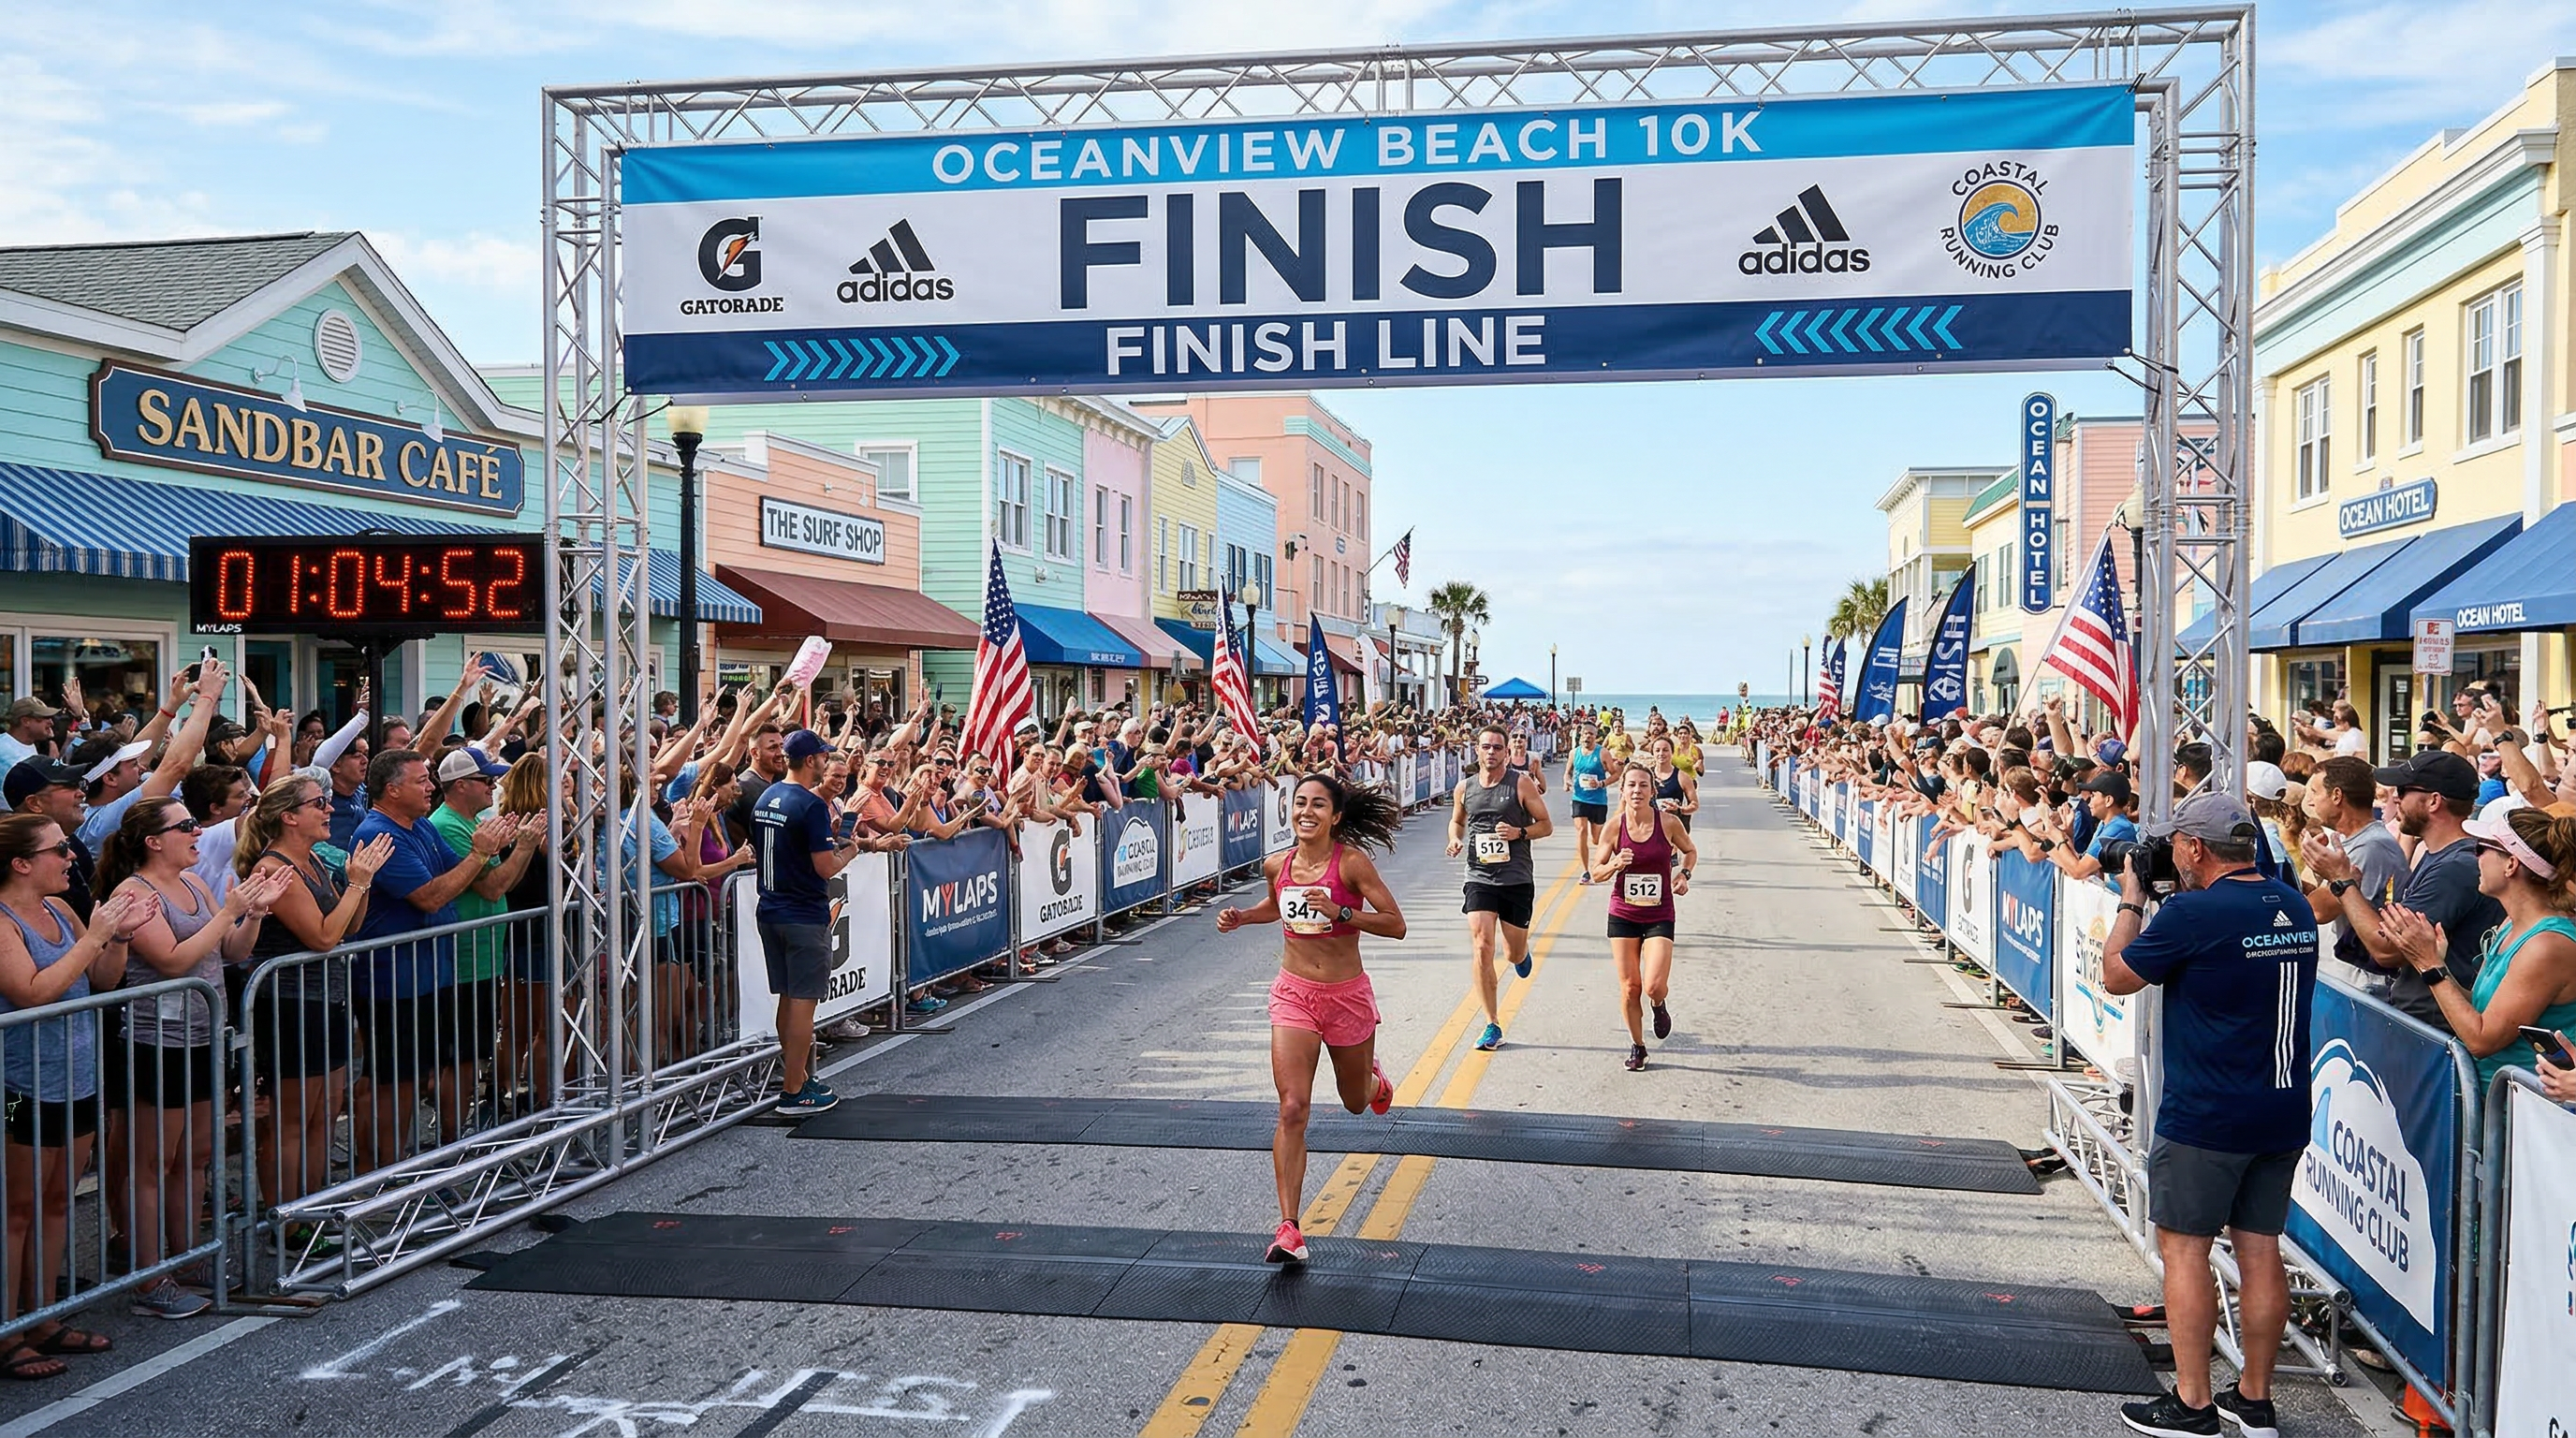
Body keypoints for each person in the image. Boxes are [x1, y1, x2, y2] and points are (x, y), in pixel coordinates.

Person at [2100, 793, 2318, 1438]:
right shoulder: (2294, 903)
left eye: (2176, 846)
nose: (2171, 855)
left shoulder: (2194, 912)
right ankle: (2254, 1398)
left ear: (2196, 848)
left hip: (2208, 1112)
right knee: (2260, 1249)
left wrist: (2132, 899)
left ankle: (2192, 1403)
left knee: (2186, 1250)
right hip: (2280, 1107)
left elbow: (2116, 975)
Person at [93, 797, 291, 1319]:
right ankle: (148, 1278)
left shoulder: (197, 883)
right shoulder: (133, 891)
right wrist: (229, 910)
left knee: (196, 1156)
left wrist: (251, 913)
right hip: (155, 1041)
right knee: (152, 1164)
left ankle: (188, 1256)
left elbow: (233, 952)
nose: (197, 831)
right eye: (185, 826)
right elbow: (175, 960)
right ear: (153, 841)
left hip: (206, 1034)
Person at [1214, 772, 1407, 1265]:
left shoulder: (1352, 865)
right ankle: (1289, 1228)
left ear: (1335, 816)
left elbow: (1395, 924)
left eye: (1318, 805)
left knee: (1354, 1102)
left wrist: (1343, 913)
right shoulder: (1277, 864)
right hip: (1294, 994)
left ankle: (1372, 1081)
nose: (1307, 811)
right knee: (1292, 1107)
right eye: (1300, 802)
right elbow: (1276, 908)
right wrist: (1243, 917)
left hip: (1346, 997)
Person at [347, 749, 520, 1167]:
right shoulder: (378, 833)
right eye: (421, 781)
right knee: (394, 1082)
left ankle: (398, 1165)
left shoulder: (420, 826)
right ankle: (384, 1172)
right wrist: (480, 854)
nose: (430, 788)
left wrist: (497, 848)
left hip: (429, 974)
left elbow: (459, 874)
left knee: (414, 1077)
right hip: (394, 980)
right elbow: (431, 896)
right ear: (391, 790)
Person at [236, 779, 391, 1221]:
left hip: (327, 999)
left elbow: (350, 926)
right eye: (318, 804)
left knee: (324, 1114)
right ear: (289, 816)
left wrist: (361, 884)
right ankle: (285, 1221)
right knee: (291, 1122)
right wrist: (357, 885)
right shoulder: (274, 868)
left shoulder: (315, 862)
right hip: (292, 1004)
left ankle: (316, 1209)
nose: (329, 810)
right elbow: (323, 937)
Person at [2302, 749, 2504, 1034]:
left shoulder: (2456, 867)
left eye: (2404, 789)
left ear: (2434, 801)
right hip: (2421, 1022)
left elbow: (2388, 949)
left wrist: (2342, 882)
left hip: (2432, 1031)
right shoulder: (2440, 856)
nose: (2395, 797)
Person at [2378, 806, 2576, 1086]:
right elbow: (2484, 1008)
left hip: (2522, 1115)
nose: (2476, 857)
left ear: (2511, 864)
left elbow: (2482, 1039)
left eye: (2481, 849)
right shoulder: (2510, 923)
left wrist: (2429, 965)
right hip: (2492, 1103)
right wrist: (2437, 965)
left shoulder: (2547, 945)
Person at [752, 728, 872, 1116]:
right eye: (822, 757)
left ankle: (799, 1076)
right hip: (802, 911)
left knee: (788, 998)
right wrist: (850, 850)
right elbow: (825, 867)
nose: (825, 762)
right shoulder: (810, 803)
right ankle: (793, 1091)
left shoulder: (769, 794)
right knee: (804, 1004)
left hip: (770, 907)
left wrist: (824, 839)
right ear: (809, 762)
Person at [1447, 724, 1553, 1051]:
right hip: (1479, 876)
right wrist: (1454, 839)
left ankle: (1521, 955)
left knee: (1513, 952)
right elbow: (1457, 821)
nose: (1491, 752)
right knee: (1481, 945)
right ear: (1476, 750)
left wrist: (1518, 834)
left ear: (1507, 752)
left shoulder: (1520, 784)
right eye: (1485, 746)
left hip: (1516, 878)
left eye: (1497, 747)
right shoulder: (1464, 788)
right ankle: (1492, 1023)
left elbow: (1546, 825)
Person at [1591, 762, 1697, 1071]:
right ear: (1622, 790)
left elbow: (1690, 852)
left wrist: (1684, 875)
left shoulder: (1669, 823)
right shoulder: (1614, 827)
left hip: (1659, 913)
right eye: (1631, 785)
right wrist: (1614, 865)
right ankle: (1638, 1046)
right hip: (1623, 913)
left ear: (1653, 791)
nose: (1637, 790)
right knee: (1629, 987)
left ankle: (1658, 1005)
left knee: (1652, 986)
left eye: (1643, 785)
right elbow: (1595, 872)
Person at [1565, 726, 1611, 884]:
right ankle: (1585, 871)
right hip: (1579, 798)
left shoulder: (1603, 753)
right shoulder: (1574, 753)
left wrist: (1602, 783)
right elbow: (1567, 773)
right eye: (1585, 734)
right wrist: (1567, 782)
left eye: (1591, 734)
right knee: (1582, 831)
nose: (1587, 737)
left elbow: (1616, 773)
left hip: (1598, 801)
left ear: (1596, 737)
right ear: (1581, 736)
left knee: (1597, 839)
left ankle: (1599, 861)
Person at [1647, 734, 1698, 831]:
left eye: (1665, 750)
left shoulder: (1682, 777)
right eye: (1657, 750)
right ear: (1652, 753)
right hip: (1650, 827)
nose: (1661, 753)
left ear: (1672, 752)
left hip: (1673, 828)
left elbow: (1694, 804)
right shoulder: (1646, 776)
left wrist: (1679, 810)